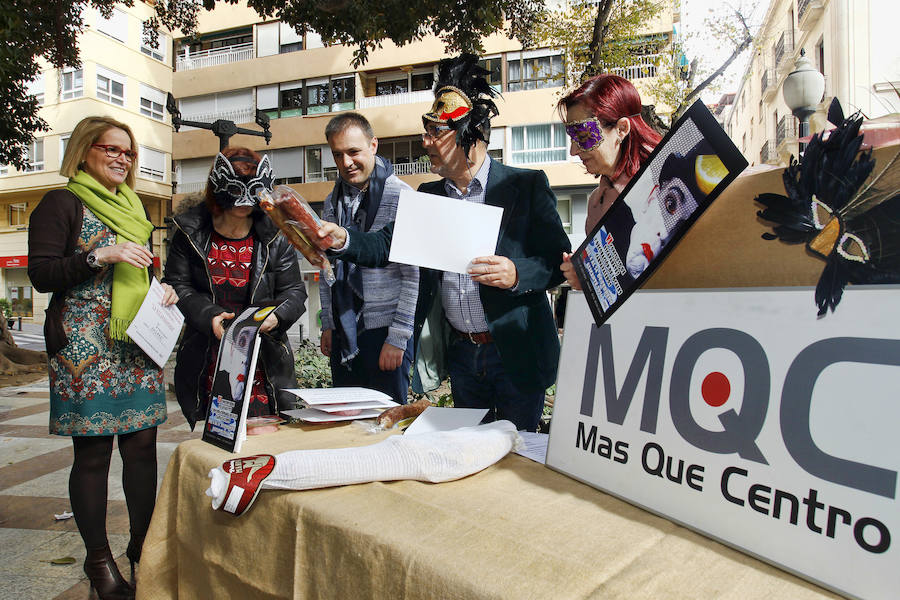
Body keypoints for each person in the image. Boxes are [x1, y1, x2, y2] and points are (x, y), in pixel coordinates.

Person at [318, 54, 571, 431]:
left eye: (435, 132)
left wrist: (517, 273)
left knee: (519, 456)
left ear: (467, 134)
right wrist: (343, 239)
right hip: (464, 356)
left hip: (514, 353)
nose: (425, 142)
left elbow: (556, 262)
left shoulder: (525, 186)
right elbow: (385, 246)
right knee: (469, 462)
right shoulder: (430, 195)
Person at [28, 116, 179, 599]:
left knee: (141, 448)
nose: (122, 158)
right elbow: (42, 274)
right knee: (92, 454)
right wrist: (101, 256)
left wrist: (163, 291)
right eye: (111, 149)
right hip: (84, 346)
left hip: (135, 344)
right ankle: (99, 561)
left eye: (129, 152)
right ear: (83, 151)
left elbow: (138, 276)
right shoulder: (62, 202)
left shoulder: (133, 207)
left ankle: (141, 546)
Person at [163, 147, 307, 429]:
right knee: (218, 446)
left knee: (263, 445)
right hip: (209, 356)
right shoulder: (189, 230)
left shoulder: (275, 234)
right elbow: (178, 284)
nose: (244, 202)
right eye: (235, 191)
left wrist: (275, 317)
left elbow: (294, 291)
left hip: (263, 358)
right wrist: (208, 315)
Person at [318, 113, 419, 403]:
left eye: (353, 151)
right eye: (338, 154)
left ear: (373, 145)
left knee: (386, 427)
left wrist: (398, 338)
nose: (346, 162)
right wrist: (329, 323)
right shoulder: (331, 202)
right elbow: (328, 266)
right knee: (347, 426)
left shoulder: (402, 196)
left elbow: (413, 274)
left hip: (385, 333)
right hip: (344, 332)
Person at [558, 74, 662, 289]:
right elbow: (615, 288)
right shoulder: (596, 202)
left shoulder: (668, 180)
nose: (573, 150)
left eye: (584, 135)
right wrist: (585, 275)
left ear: (622, 129)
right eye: (571, 136)